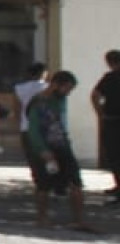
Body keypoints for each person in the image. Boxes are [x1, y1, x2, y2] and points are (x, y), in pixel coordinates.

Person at [24, 69, 93, 232]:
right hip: (43, 148)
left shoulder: (60, 100)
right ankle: (42, 218)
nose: (68, 93)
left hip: (62, 145)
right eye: (66, 88)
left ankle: (78, 219)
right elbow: (33, 129)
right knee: (43, 185)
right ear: (55, 84)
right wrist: (42, 150)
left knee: (75, 181)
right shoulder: (38, 102)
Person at [91, 49, 120, 199]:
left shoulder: (109, 78)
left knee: (115, 155)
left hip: (112, 120)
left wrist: (100, 113)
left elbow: (95, 95)